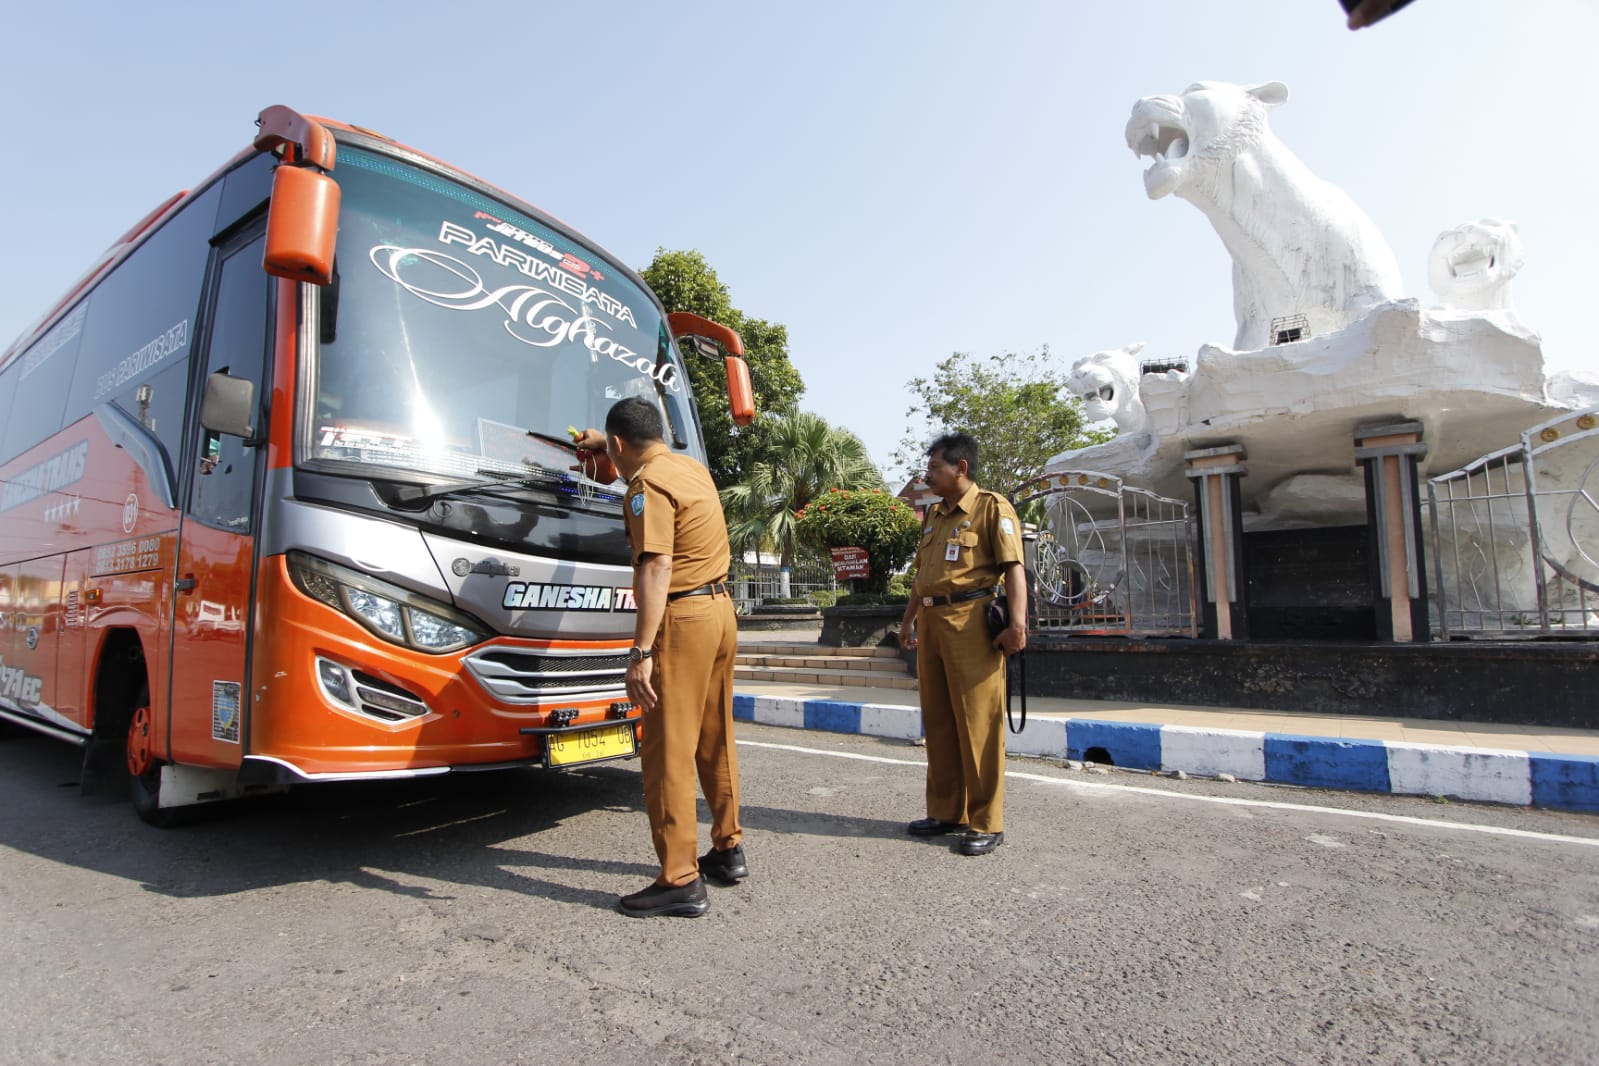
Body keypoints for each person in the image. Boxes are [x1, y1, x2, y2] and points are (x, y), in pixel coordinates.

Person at [573, 398, 745, 917]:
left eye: (613, 452)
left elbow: (655, 566)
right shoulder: (689, 469)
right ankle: (728, 848)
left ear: (621, 445)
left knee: (668, 749)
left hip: (682, 620)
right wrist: (606, 444)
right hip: (720, 613)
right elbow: (638, 449)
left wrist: (640, 652)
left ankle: (679, 878)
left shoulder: (646, 487)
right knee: (716, 738)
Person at [896, 433, 1027, 856]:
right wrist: (908, 621)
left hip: (971, 622)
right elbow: (922, 577)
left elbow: (1014, 569)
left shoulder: (992, 508)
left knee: (979, 722)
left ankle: (986, 820)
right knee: (938, 721)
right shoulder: (933, 514)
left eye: (935, 467)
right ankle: (946, 811)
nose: (928, 474)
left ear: (961, 468)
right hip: (932, 621)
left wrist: (1018, 625)